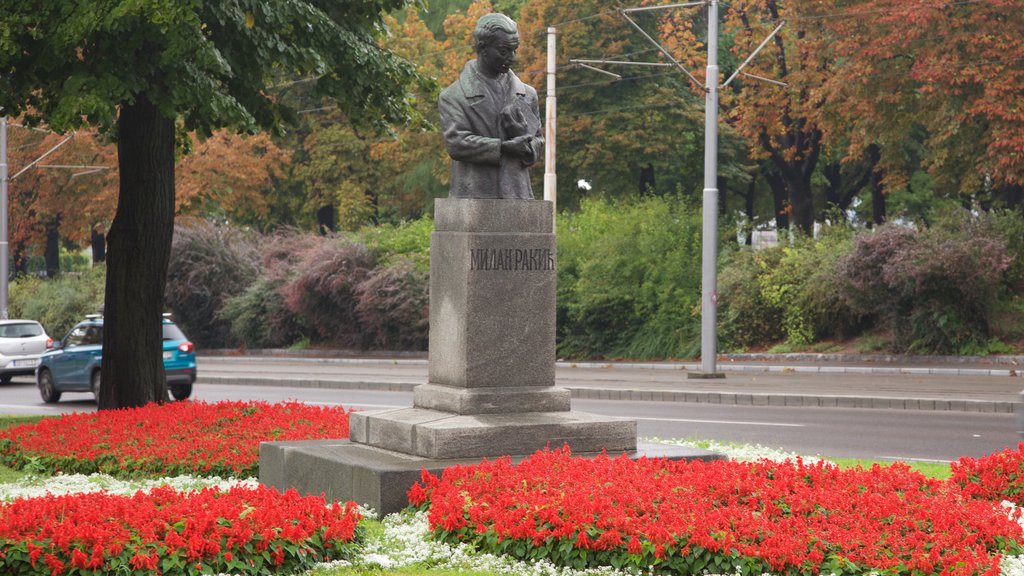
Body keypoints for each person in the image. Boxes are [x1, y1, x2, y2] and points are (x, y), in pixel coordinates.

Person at [438, 13, 544, 199]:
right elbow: (456, 143)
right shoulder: (454, 96)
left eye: (514, 50)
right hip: (473, 197)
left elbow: (538, 140)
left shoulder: (527, 94)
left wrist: (524, 142)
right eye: (504, 51)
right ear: (482, 48)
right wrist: (503, 148)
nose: (512, 57)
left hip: (518, 195)